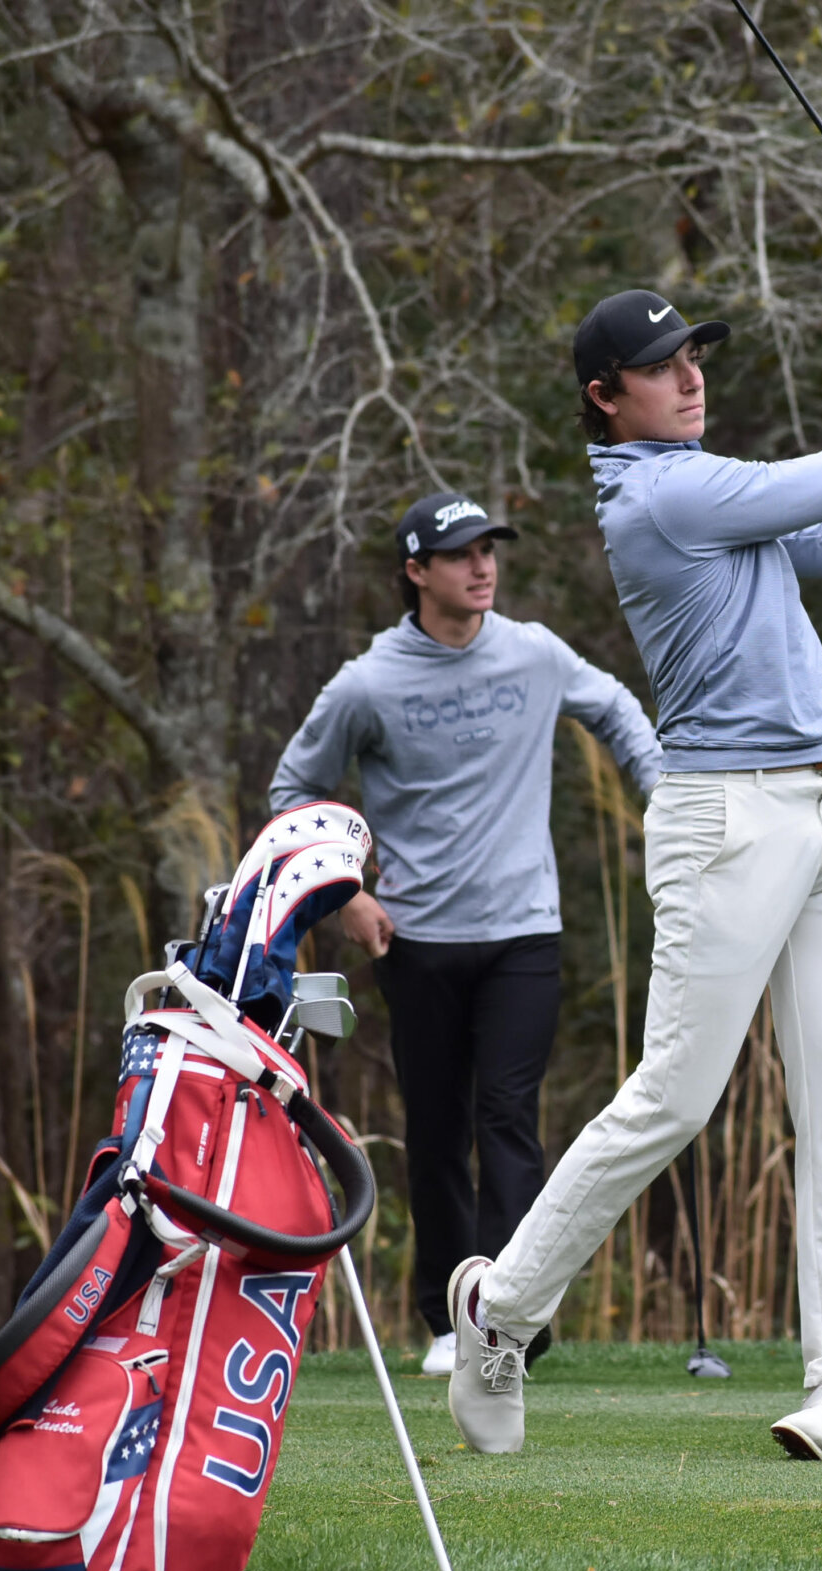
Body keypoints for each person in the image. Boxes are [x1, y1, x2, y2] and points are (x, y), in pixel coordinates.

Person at [446, 288, 822, 1460]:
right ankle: (500, 1311)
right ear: (607, 399)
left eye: (695, 355)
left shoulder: (707, 487)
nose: (692, 376)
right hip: (727, 823)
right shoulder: (662, 497)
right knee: (672, 1100)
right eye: (663, 366)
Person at [270, 490, 662, 1377]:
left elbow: (616, 710)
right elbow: (293, 792)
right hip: (418, 944)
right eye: (459, 555)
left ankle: (507, 1318)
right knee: (441, 1130)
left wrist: (667, 798)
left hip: (524, 935)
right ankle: (449, 1319)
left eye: (489, 551)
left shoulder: (532, 653)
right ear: (416, 572)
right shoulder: (368, 683)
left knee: (508, 1121)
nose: (482, 567)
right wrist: (346, 897)